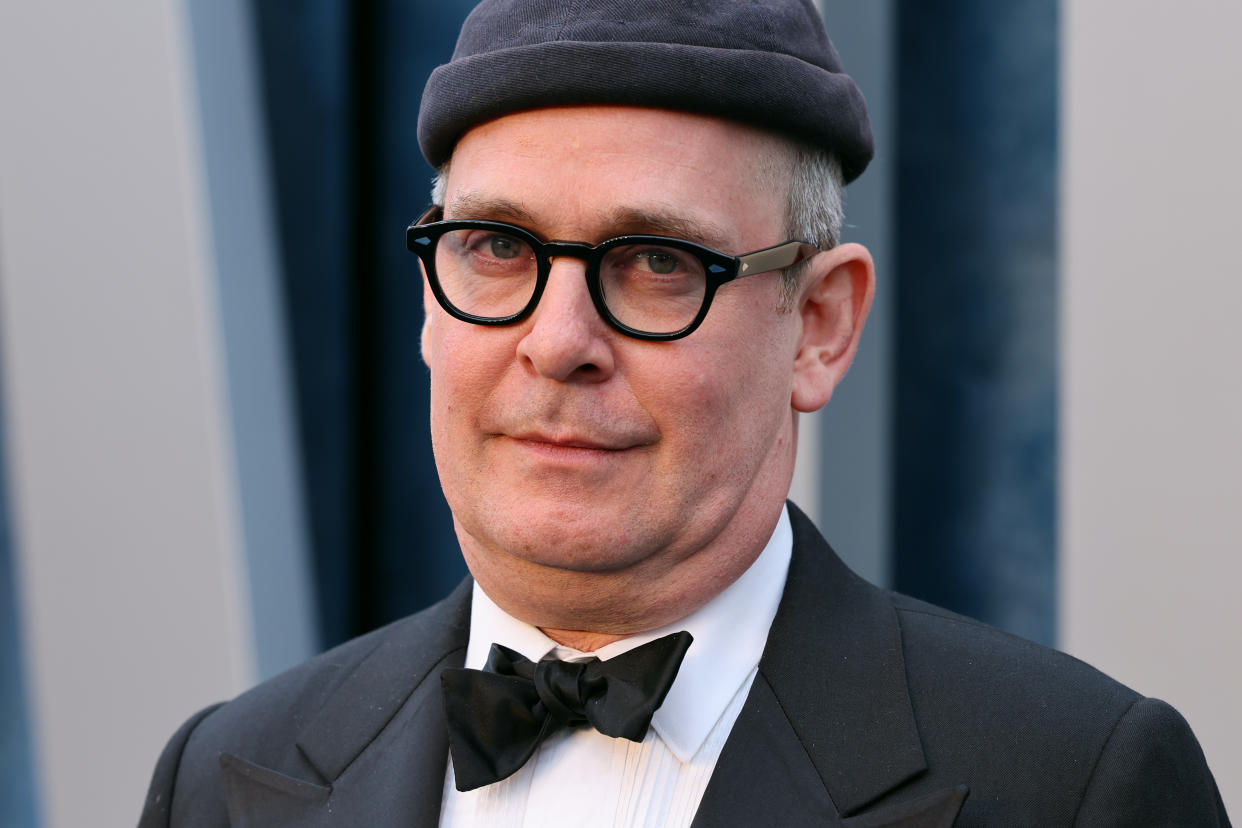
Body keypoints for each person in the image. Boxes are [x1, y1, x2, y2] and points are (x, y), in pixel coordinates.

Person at [139, 1, 1231, 826]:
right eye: (497, 249)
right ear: (428, 298)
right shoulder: (224, 776)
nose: (558, 340)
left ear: (820, 325)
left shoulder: (1074, 787)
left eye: (658, 262)